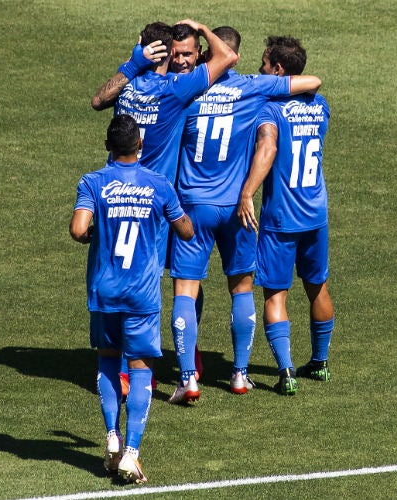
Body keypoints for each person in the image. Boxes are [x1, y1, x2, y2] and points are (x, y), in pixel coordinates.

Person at [168, 27, 323, 402]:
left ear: (209, 54)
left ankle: (188, 378)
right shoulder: (254, 88)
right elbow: (310, 82)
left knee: (185, 290)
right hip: (240, 208)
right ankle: (239, 374)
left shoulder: (188, 89)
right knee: (241, 288)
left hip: (194, 207)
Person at [92, 20, 238, 399]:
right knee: (159, 286)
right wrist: (203, 28)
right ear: (165, 54)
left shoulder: (126, 89)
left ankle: (155, 362)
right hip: (160, 205)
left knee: (135, 282)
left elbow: (97, 99)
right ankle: (141, 369)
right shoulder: (177, 91)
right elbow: (228, 56)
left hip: (118, 196)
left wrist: (132, 62)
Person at [69, 115, 194, 483]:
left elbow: (78, 229)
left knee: (108, 362)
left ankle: (111, 437)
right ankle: (132, 453)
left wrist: (97, 235)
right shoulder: (158, 184)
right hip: (141, 294)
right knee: (141, 369)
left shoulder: (93, 182)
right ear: (140, 145)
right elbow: (185, 231)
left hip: (104, 292)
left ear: (107, 146)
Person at [237, 36, 334, 396]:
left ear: (278, 70)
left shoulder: (270, 110)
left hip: (281, 217)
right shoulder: (320, 106)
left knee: (275, 295)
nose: (260, 69)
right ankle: (320, 362)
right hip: (316, 212)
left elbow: (269, 147)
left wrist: (247, 191)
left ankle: (286, 372)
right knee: (317, 286)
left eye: (264, 64)